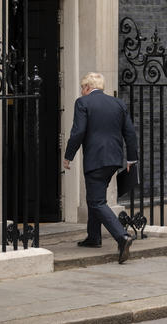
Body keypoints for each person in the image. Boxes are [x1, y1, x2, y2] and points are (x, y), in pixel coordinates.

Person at [63, 72, 138, 264]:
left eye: (82, 87)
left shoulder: (83, 102)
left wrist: (68, 156)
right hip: (114, 159)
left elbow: (78, 131)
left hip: (96, 159)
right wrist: (131, 159)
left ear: (88, 87)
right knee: (95, 197)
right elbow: (129, 133)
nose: (81, 91)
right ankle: (93, 237)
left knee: (96, 202)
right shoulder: (118, 103)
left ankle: (122, 236)